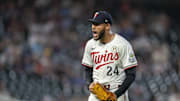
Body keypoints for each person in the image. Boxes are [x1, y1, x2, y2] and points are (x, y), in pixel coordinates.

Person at [82, 11, 138, 101]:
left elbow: (131, 74)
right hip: (97, 93)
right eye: (93, 24)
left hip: (116, 91)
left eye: (97, 24)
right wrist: (89, 84)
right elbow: (87, 69)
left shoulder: (122, 44)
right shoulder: (90, 45)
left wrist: (116, 94)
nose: (93, 27)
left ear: (107, 26)